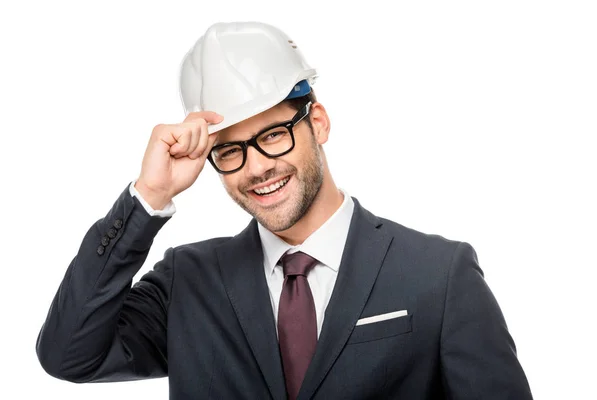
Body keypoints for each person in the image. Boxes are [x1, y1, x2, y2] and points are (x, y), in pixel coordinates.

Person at [36, 21, 533, 399]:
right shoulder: (186, 283)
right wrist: (148, 196)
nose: (255, 168)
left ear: (316, 122)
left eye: (273, 134)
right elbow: (68, 356)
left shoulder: (438, 275)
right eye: (231, 150)